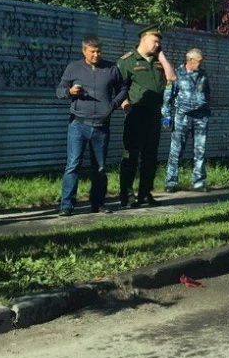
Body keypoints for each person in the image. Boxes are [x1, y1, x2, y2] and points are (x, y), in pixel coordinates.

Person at [55, 35, 128, 216]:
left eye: (99, 51)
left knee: (100, 167)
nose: (96, 55)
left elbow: (123, 89)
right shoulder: (74, 68)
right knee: (73, 165)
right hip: (78, 124)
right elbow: (59, 91)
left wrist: (113, 105)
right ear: (84, 51)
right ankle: (67, 205)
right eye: (92, 51)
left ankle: (98, 203)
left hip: (101, 125)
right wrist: (69, 92)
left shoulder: (111, 68)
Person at [116, 26, 175, 207]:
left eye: (159, 41)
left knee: (150, 156)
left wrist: (162, 56)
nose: (157, 44)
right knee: (131, 156)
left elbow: (172, 77)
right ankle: (126, 194)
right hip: (136, 113)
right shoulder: (127, 61)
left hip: (154, 114)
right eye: (154, 41)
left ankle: (144, 193)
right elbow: (118, 86)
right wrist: (125, 103)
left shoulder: (158, 60)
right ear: (142, 40)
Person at [162, 49, 211, 193]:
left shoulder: (203, 75)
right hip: (182, 117)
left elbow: (207, 94)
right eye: (199, 61)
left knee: (200, 150)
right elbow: (167, 97)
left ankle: (198, 182)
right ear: (190, 60)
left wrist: (207, 111)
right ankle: (171, 182)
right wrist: (166, 116)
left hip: (201, 117)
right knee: (176, 151)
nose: (201, 64)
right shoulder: (176, 74)